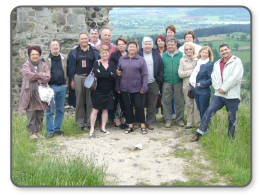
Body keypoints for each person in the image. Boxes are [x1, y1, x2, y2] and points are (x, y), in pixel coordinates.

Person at [190, 44, 244, 142]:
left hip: (232, 95)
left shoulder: (237, 61)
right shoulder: (217, 63)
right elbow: (214, 77)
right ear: (220, 52)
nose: (224, 52)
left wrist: (224, 88)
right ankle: (200, 133)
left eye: (225, 50)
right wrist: (219, 88)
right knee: (209, 111)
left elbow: (235, 77)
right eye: (222, 51)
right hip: (219, 94)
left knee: (232, 117)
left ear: (229, 49)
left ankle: (231, 140)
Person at [67, 33, 100, 130]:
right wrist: (72, 80)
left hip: (90, 77)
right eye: (82, 39)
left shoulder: (94, 51)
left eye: (86, 38)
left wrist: (96, 77)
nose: (84, 40)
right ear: (79, 40)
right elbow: (70, 67)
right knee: (79, 101)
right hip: (78, 77)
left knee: (90, 101)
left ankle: (90, 122)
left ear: (88, 39)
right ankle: (80, 123)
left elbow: (97, 64)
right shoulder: (74, 52)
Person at [115, 39, 148, 134]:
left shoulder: (141, 59)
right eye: (130, 46)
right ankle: (130, 125)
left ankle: (142, 125)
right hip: (124, 88)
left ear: (137, 48)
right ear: (127, 48)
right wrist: (118, 86)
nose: (132, 48)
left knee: (139, 106)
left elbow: (145, 74)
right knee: (127, 107)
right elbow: (118, 73)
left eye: (134, 47)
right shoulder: (122, 59)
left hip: (138, 88)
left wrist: (144, 87)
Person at [18, 46, 51, 139]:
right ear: (29, 55)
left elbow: (47, 77)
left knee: (40, 113)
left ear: (39, 55)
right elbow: (28, 76)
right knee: (31, 113)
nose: (35, 56)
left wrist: (36, 76)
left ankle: (38, 132)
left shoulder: (43, 65)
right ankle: (32, 133)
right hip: (30, 93)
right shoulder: (26, 65)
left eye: (37, 54)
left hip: (41, 93)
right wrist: (40, 75)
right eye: (33, 54)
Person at [89, 45, 117, 138]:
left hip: (108, 90)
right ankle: (92, 129)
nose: (104, 54)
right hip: (98, 90)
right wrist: (109, 74)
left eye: (106, 52)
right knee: (95, 109)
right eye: (102, 53)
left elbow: (114, 77)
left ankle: (103, 128)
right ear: (100, 54)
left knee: (105, 109)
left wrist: (102, 74)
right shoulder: (96, 63)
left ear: (109, 53)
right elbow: (96, 74)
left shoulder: (112, 63)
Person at [137, 37, 164, 130]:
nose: (147, 46)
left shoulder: (156, 55)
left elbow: (161, 68)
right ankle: (139, 121)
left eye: (149, 44)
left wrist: (159, 79)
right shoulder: (138, 54)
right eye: (146, 44)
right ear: (142, 45)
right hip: (140, 83)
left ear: (152, 45)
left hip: (153, 82)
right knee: (139, 103)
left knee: (152, 104)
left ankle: (150, 122)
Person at [43, 39, 68, 138]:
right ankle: (50, 130)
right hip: (50, 87)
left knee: (60, 109)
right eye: (53, 45)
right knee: (49, 110)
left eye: (57, 45)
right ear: (49, 48)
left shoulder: (64, 58)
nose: (55, 47)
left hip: (62, 87)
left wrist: (66, 84)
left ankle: (57, 128)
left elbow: (68, 70)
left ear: (59, 46)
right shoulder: (45, 59)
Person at [96, 28, 118, 126]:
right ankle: (100, 119)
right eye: (105, 35)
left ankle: (111, 118)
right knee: (100, 98)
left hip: (112, 76)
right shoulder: (96, 48)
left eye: (109, 35)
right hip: (100, 78)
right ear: (101, 35)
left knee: (111, 97)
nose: (107, 37)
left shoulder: (114, 47)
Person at [161, 37, 184, 128]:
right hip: (166, 81)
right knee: (166, 101)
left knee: (179, 101)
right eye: (169, 45)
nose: (170, 46)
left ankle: (179, 120)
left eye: (172, 44)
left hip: (179, 81)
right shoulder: (162, 55)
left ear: (176, 45)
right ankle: (168, 120)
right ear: (166, 45)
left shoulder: (181, 55)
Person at [178, 42, 201, 129]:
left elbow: (200, 72)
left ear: (194, 50)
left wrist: (190, 72)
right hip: (186, 85)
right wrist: (192, 71)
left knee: (197, 104)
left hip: (196, 85)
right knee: (189, 104)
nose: (188, 51)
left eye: (190, 49)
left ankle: (197, 123)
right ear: (184, 51)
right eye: (186, 49)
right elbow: (180, 74)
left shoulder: (198, 59)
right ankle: (189, 122)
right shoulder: (182, 60)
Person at [190, 46, 214, 120]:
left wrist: (202, 84)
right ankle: (202, 128)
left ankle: (205, 128)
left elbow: (211, 79)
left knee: (204, 110)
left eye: (206, 53)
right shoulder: (198, 62)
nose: (204, 54)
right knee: (200, 109)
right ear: (200, 53)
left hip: (204, 91)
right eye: (203, 52)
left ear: (209, 55)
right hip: (196, 89)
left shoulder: (209, 65)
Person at [110, 37, 128, 129]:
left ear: (126, 45)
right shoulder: (114, 55)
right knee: (117, 101)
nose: (121, 46)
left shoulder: (129, 54)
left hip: (128, 81)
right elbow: (110, 66)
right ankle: (117, 119)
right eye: (119, 44)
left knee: (126, 100)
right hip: (117, 81)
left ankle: (124, 119)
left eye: (122, 44)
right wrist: (115, 72)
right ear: (117, 46)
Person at [166, 25, 182, 119]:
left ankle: (178, 116)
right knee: (167, 99)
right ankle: (169, 115)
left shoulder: (179, 46)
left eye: (171, 32)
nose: (170, 33)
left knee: (178, 99)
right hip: (167, 78)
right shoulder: (164, 43)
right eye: (168, 32)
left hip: (177, 78)